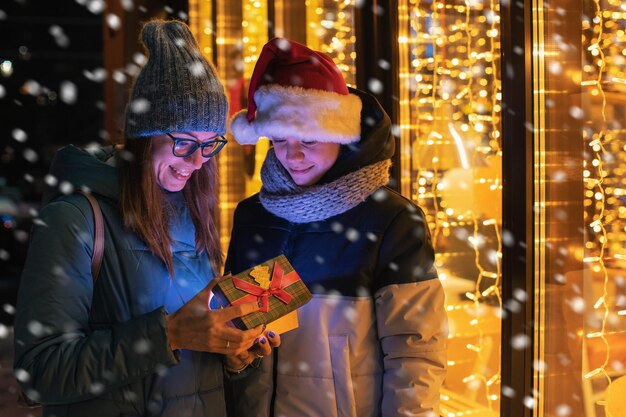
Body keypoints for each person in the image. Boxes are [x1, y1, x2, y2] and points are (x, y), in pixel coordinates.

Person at [13, 19, 279, 417]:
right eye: (184, 142)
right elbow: (39, 372)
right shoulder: (75, 221)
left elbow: (195, 369)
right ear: (143, 135)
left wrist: (234, 357)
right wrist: (168, 334)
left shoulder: (195, 219)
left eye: (210, 145)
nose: (196, 161)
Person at [226, 38, 448, 417]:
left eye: (309, 140)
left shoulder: (389, 220)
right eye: (279, 139)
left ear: (341, 135)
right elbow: (237, 331)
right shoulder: (253, 216)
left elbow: (415, 352)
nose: (291, 155)